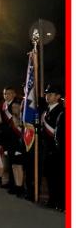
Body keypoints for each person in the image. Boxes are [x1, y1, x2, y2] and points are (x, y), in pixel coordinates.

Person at [41, 83, 65, 211]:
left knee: (59, 177)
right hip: (47, 149)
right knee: (49, 176)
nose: (47, 96)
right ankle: (52, 199)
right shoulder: (46, 111)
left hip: (57, 150)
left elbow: (61, 134)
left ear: (58, 96)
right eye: (47, 94)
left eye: (50, 94)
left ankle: (62, 203)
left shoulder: (61, 112)